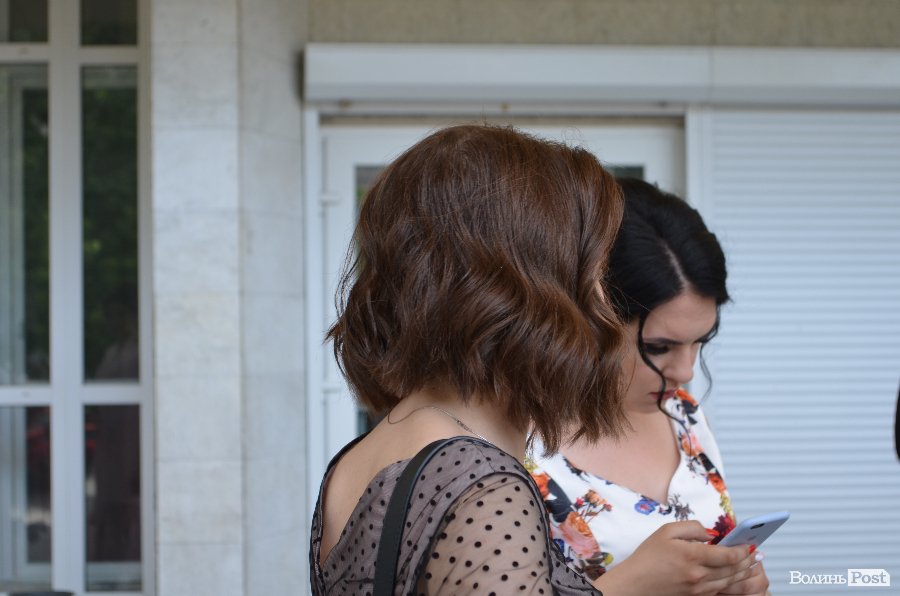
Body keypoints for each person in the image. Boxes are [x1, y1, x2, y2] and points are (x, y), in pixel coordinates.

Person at [309, 124, 693, 594]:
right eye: (593, 273)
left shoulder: (361, 458)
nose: (603, 302)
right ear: (534, 291)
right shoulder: (484, 486)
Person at [529, 178, 770, 596]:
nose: (684, 371)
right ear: (587, 318)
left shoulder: (684, 417)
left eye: (700, 342)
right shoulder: (514, 444)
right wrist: (631, 584)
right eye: (659, 347)